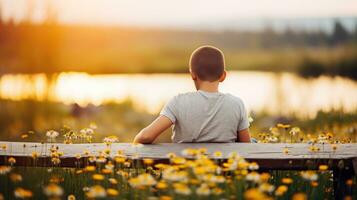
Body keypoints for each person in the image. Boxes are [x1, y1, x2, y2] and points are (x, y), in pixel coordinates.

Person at [133, 45, 251, 144]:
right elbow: (246, 146)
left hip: (186, 170)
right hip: (224, 171)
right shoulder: (237, 104)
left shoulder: (178, 102)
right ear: (223, 76)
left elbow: (145, 137)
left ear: (192, 75)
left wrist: (136, 141)